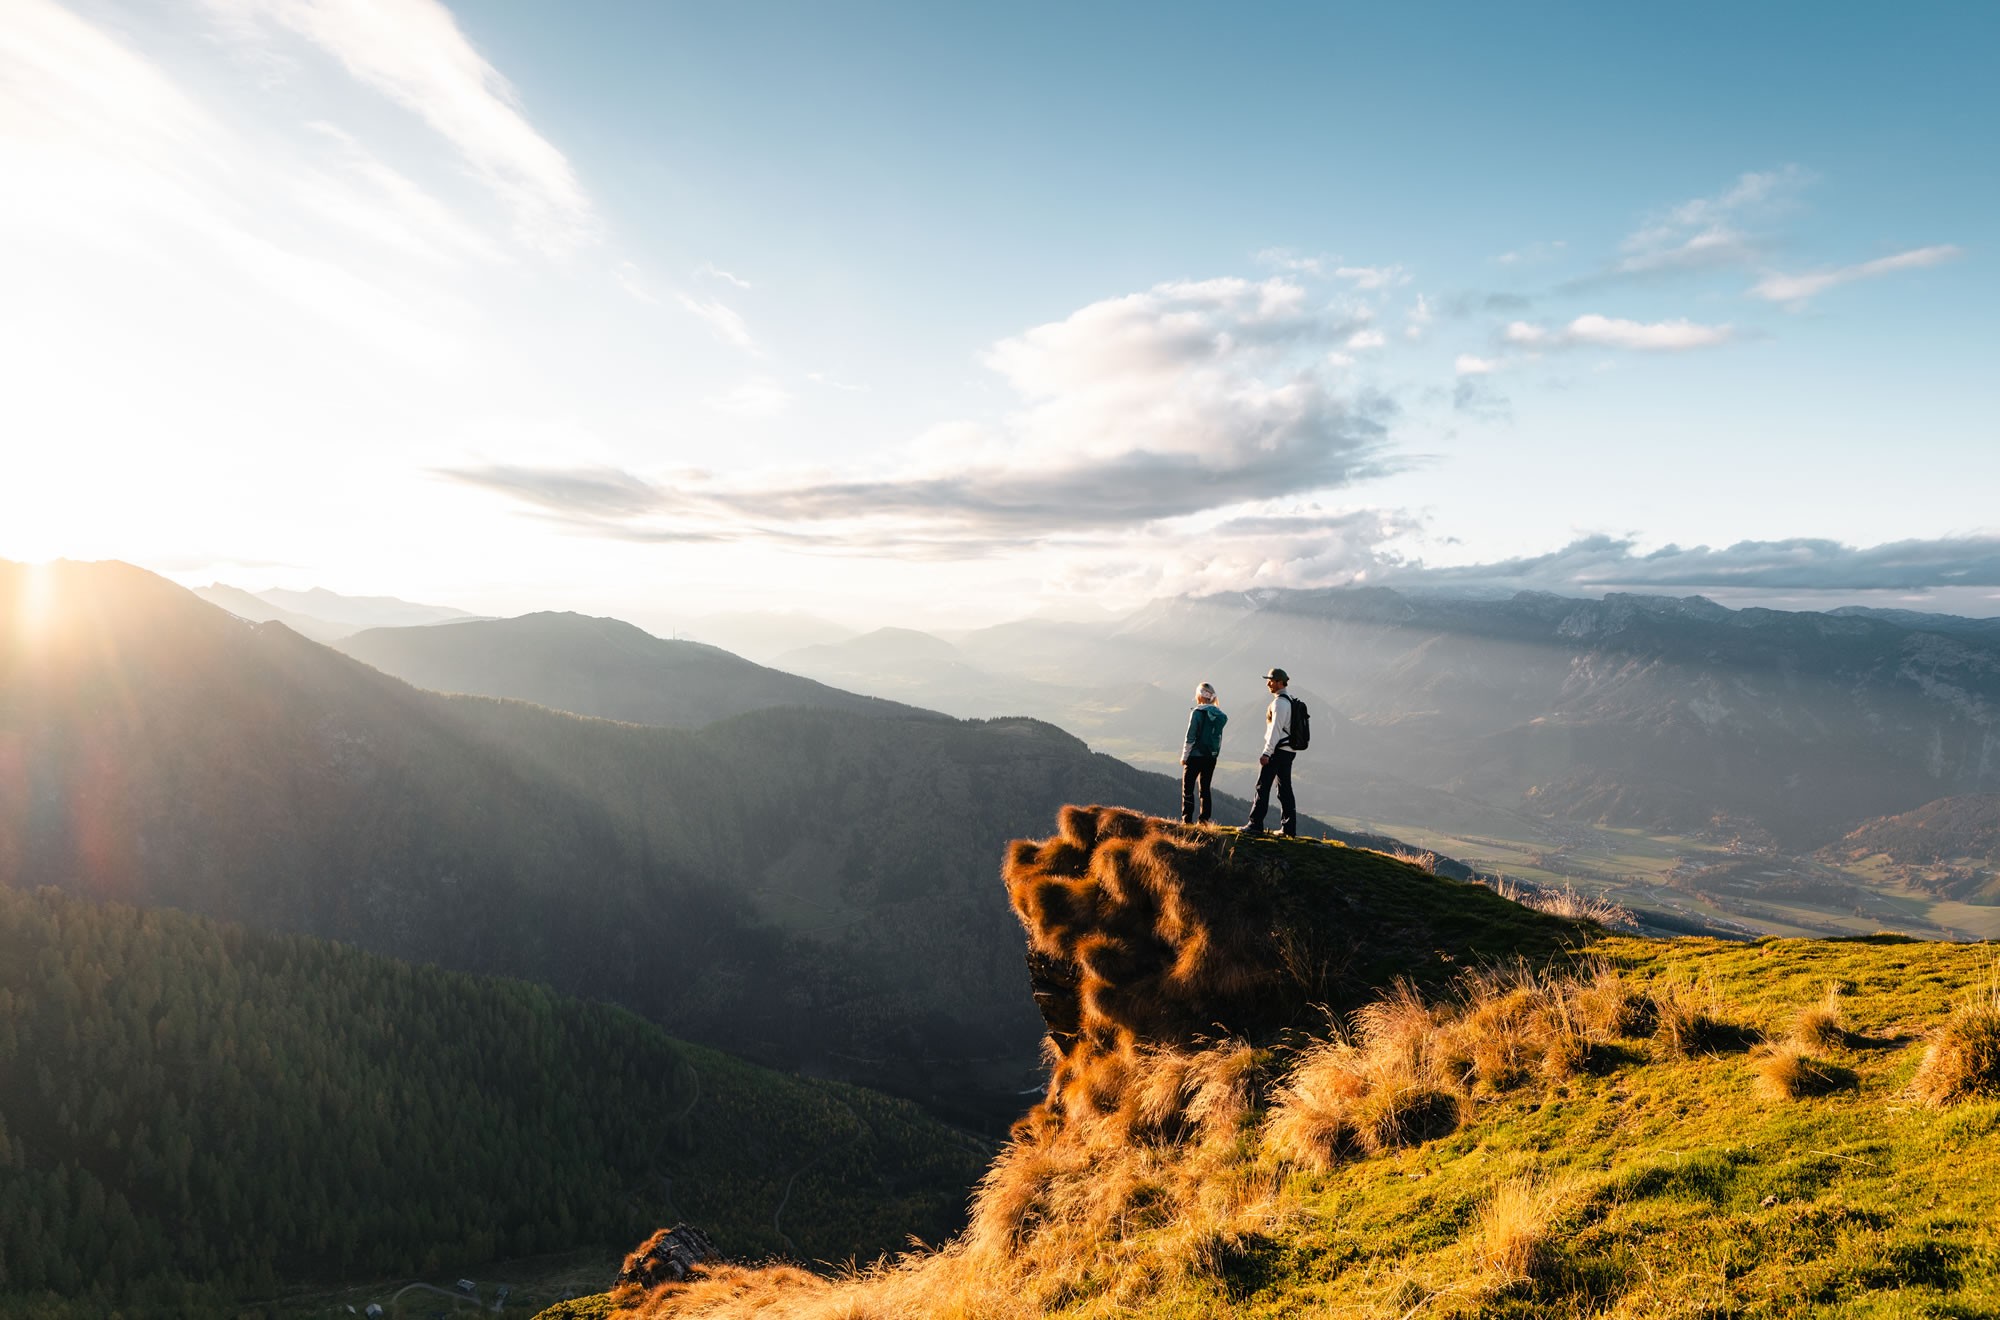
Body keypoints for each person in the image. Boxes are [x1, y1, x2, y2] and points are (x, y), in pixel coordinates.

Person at [1242, 667, 1297, 837]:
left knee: (1262, 786)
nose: (1268, 683)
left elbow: (1275, 730)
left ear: (1280, 682)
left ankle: (1255, 824)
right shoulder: (1291, 700)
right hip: (1288, 750)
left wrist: (1267, 752)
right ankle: (1288, 829)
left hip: (1277, 751)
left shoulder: (1279, 703)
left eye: (1271, 680)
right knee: (1284, 789)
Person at [1180, 682, 1227, 824]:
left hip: (1195, 756)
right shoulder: (1219, 714)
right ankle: (1204, 820)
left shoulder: (1197, 712)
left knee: (1188, 788)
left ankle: (1187, 820)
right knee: (1205, 788)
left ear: (1200, 695)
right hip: (1210, 757)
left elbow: (1190, 736)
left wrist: (1184, 756)